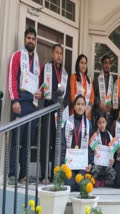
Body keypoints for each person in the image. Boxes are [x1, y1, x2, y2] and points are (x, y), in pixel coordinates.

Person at [7, 27, 42, 184]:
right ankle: (12, 174)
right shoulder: (17, 56)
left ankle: (23, 175)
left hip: (33, 106)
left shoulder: (37, 61)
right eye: (28, 38)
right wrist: (14, 100)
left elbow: (39, 84)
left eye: (33, 39)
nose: (31, 41)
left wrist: (40, 93)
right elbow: (11, 79)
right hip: (20, 103)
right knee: (17, 141)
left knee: (28, 143)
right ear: (24, 39)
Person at [39, 43, 70, 184]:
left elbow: (68, 93)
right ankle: (44, 174)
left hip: (60, 112)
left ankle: (54, 173)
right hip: (48, 110)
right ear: (52, 54)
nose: (59, 55)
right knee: (46, 142)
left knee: (56, 145)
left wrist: (63, 106)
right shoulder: (46, 68)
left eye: (61, 53)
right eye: (57, 53)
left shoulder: (64, 73)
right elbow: (41, 87)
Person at [61, 94, 94, 191]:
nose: (80, 107)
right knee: (69, 186)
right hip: (69, 163)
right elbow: (62, 144)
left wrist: (90, 163)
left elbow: (90, 146)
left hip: (82, 164)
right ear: (74, 106)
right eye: (78, 104)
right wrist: (62, 163)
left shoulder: (89, 124)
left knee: (80, 185)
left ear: (85, 107)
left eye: (83, 104)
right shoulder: (67, 122)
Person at [89, 112, 117, 187]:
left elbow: (113, 151)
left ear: (106, 123)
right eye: (100, 123)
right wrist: (93, 152)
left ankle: (103, 179)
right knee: (94, 171)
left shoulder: (109, 135)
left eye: (103, 122)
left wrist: (113, 159)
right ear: (97, 124)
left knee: (113, 174)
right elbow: (90, 150)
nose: (102, 125)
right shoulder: (94, 135)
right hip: (97, 164)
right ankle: (98, 179)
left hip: (106, 164)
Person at [93, 55, 115, 130]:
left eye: (109, 63)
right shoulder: (97, 79)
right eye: (105, 63)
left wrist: (112, 104)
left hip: (109, 113)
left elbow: (115, 95)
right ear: (102, 65)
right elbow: (93, 95)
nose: (107, 65)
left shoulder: (113, 80)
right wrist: (99, 104)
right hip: (99, 112)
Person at [70, 54, 94, 121]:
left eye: (85, 63)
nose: (83, 65)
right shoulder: (73, 77)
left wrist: (85, 111)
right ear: (78, 64)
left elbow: (92, 98)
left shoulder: (89, 80)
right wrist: (79, 110)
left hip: (87, 115)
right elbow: (72, 95)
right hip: (75, 114)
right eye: (81, 63)